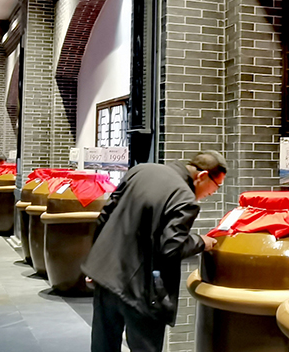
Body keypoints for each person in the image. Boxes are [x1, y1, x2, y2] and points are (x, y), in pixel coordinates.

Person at [82, 151, 227, 352]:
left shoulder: (141, 171)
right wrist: (201, 241)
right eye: (216, 186)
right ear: (202, 176)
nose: (213, 193)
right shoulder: (185, 198)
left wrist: (96, 261)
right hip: (143, 290)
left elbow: (105, 215)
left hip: (107, 277)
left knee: (103, 346)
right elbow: (171, 248)